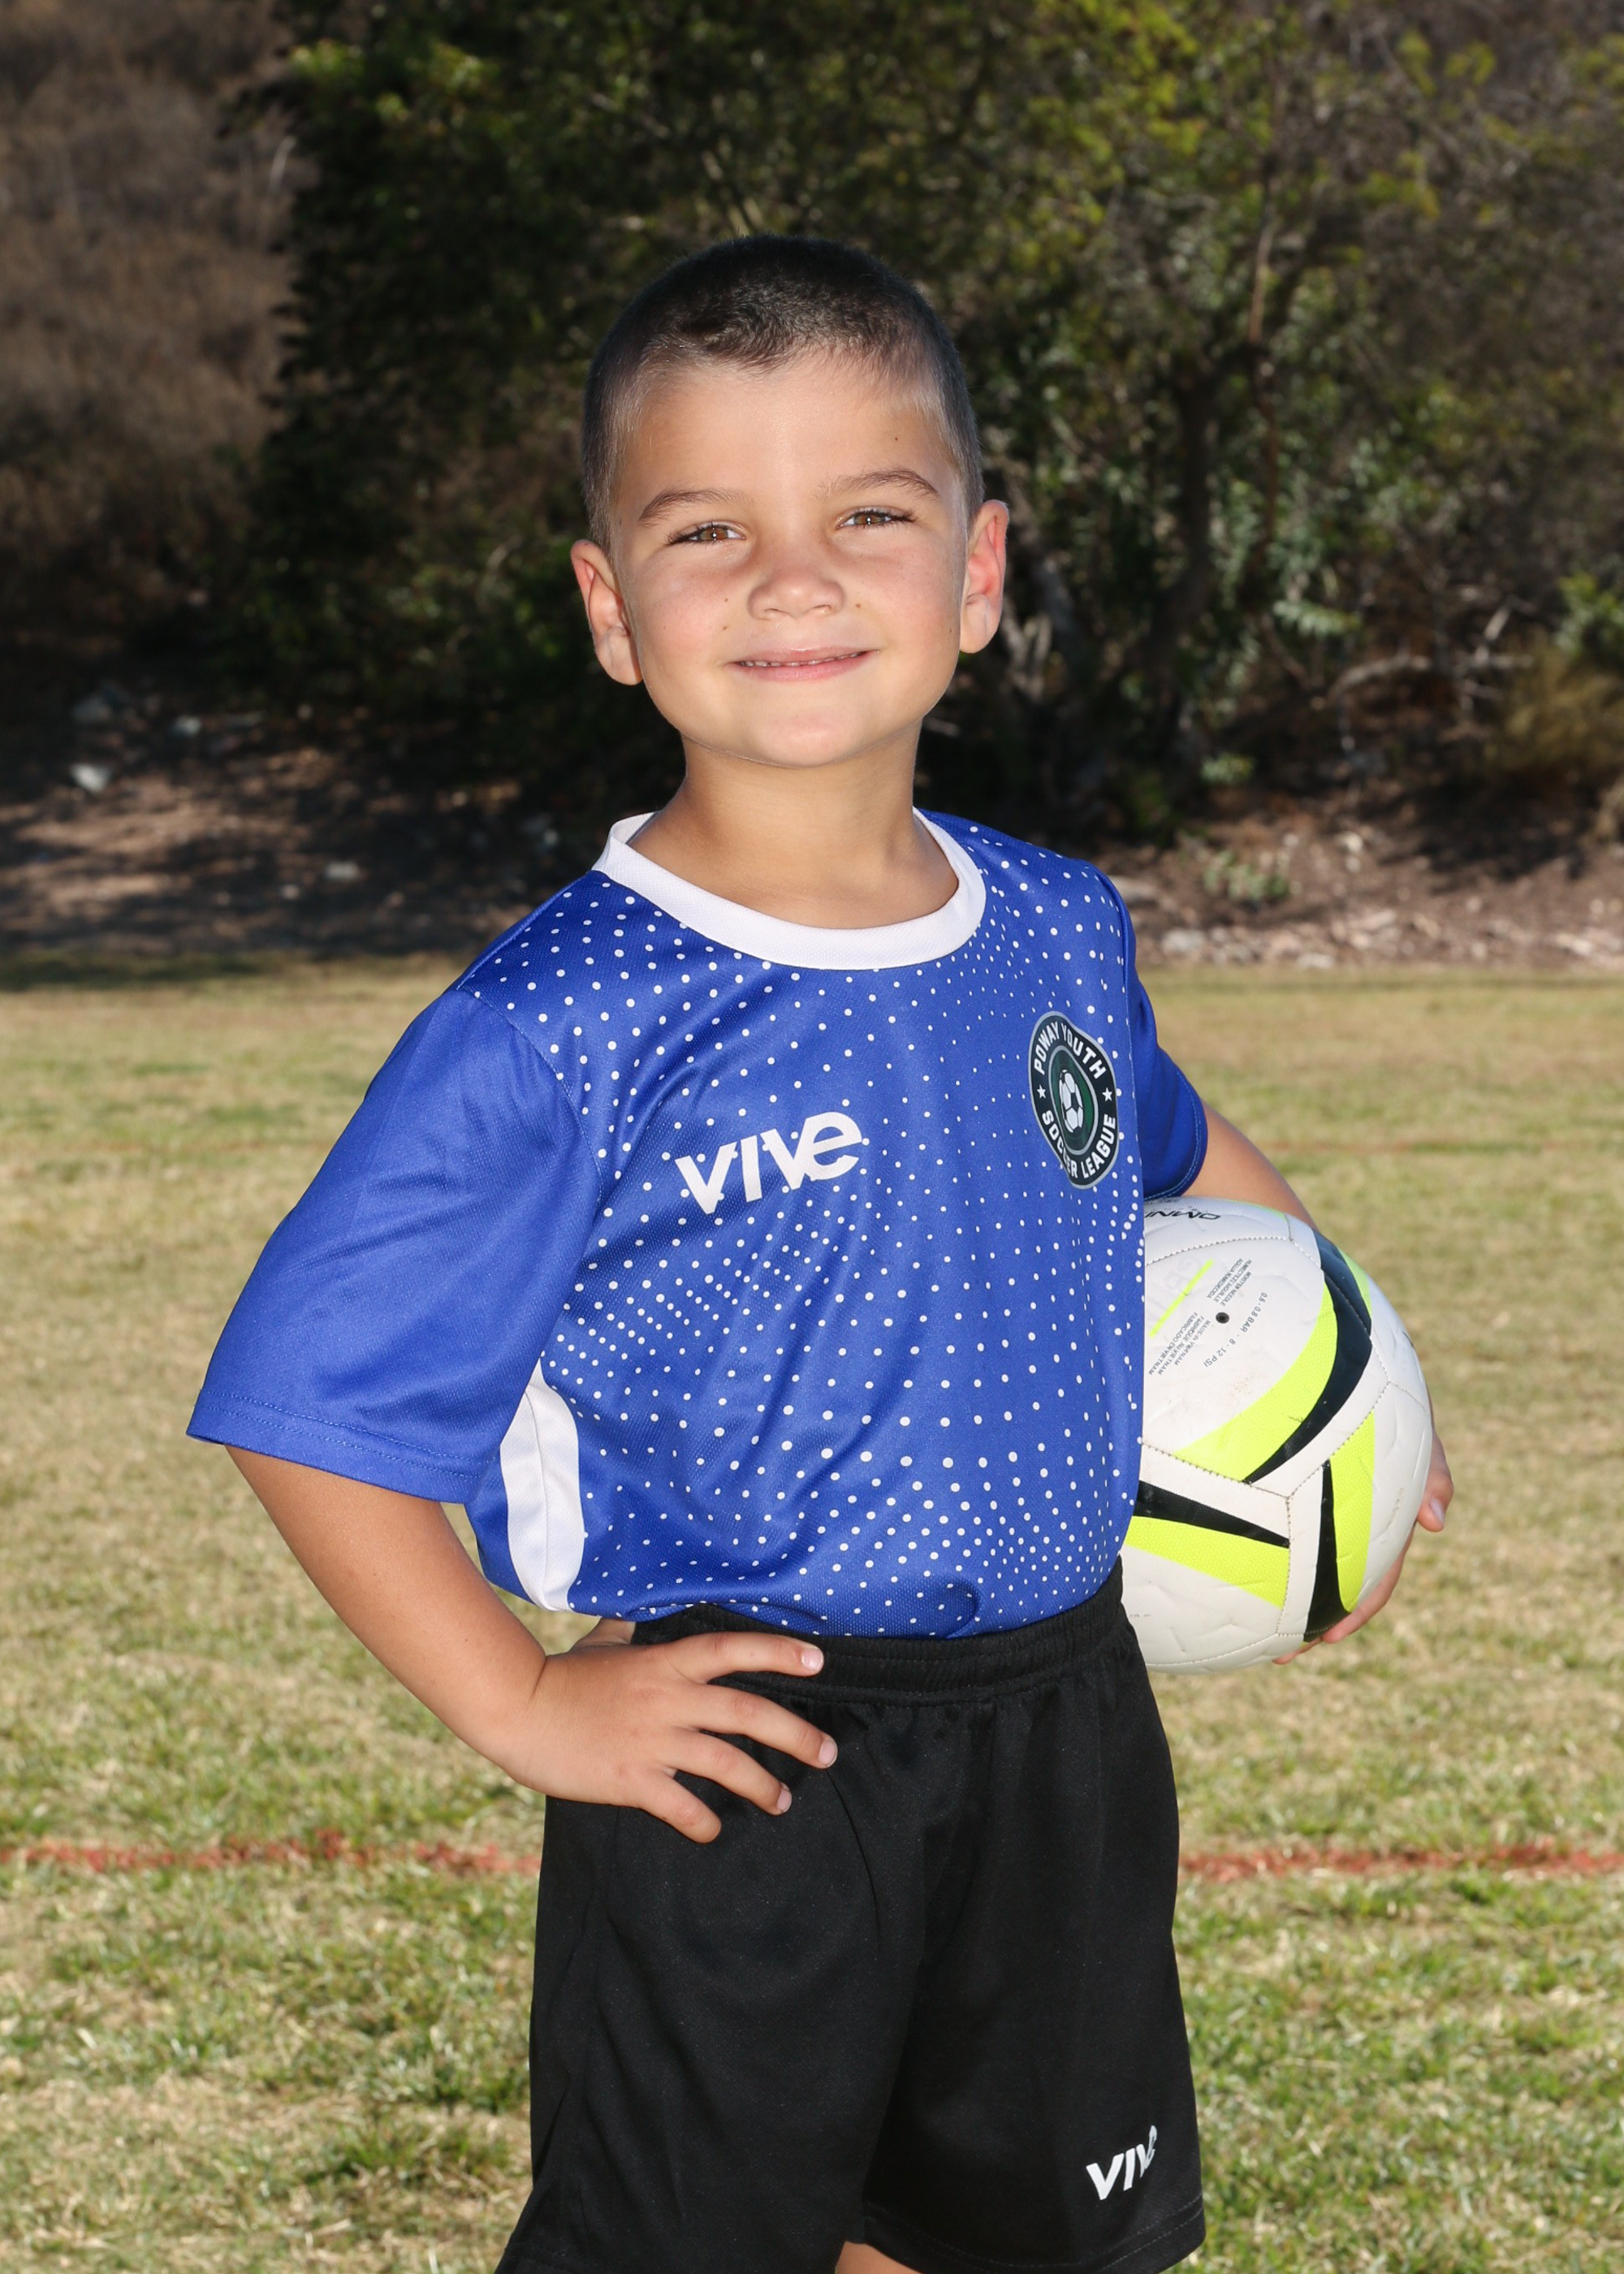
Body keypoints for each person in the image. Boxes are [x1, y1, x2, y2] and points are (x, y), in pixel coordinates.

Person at [190, 236, 1451, 2274]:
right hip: (750, 1755)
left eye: (869, 514)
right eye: (709, 530)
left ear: (977, 569)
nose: (794, 579)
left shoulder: (1053, 926)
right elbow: (306, 1402)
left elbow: (1169, 1147)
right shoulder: (565, 1018)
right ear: (611, 608)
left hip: (1065, 1728)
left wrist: (1349, 1415)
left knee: (1002, 2242)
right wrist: (526, 1703)